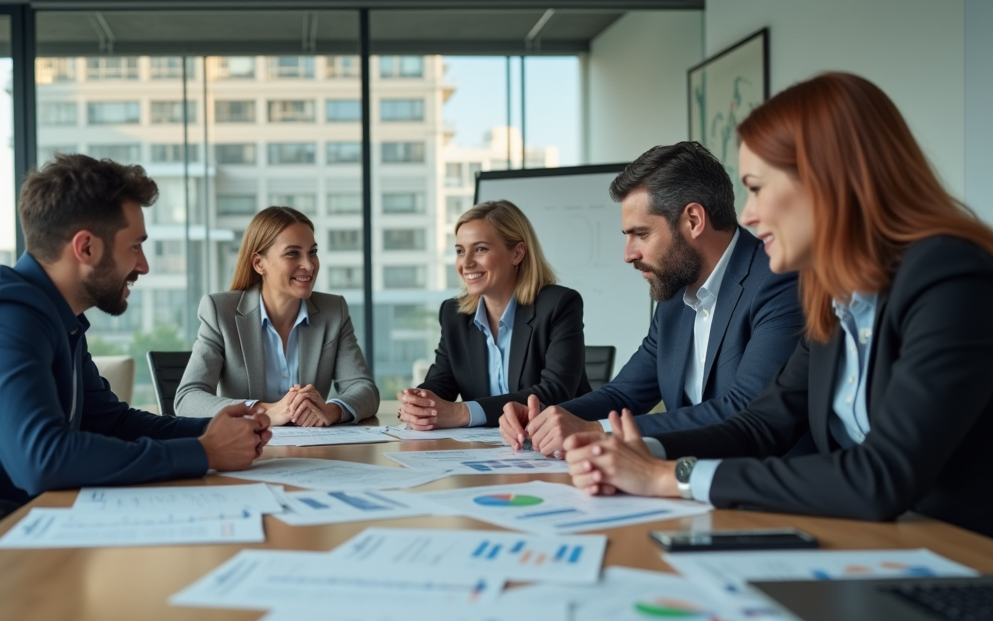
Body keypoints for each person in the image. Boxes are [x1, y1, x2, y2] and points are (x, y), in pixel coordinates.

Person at [564, 72, 993, 538]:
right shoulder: (831, 292)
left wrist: (670, 477)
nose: (746, 214)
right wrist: (641, 452)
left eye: (757, 187)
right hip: (874, 543)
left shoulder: (949, 276)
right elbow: (760, 425)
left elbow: (881, 474)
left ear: (825, 180)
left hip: (958, 559)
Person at [0, 154, 272, 571]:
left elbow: (111, 422)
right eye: (135, 247)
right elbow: (42, 459)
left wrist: (218, 432)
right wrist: (203, 451)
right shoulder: (2, 314)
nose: (143, 265)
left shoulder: (53, 316)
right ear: (86, 247)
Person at [500, 141, 805, 457]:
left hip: (764, 493)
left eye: (641, 234)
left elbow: (745, 410)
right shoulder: (675, 297)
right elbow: (624, 394)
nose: (628, 254)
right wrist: (548, 415)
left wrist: (595, 430)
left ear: (694, 221)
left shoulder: (778, 280)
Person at [174, 206, 379, 425]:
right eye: (292, 253)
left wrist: (333, 410)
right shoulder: (220, 312)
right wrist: (265, 411)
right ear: (259, 263)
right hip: (248, 451)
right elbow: (187, 398)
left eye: (312, 252)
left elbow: (364, 389)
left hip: (314, 452)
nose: (309, 265)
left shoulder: (333, 310)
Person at [397, 200, 590, 429]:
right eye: (460, 251)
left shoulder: (559, 305)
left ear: (517, 253)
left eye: (480, 249)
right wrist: (420, 402)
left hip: (552, 445)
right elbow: (442, 382)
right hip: (485, 449)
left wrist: (462, 412)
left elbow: (554, 393)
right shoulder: (454, 315)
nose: (466, 263)